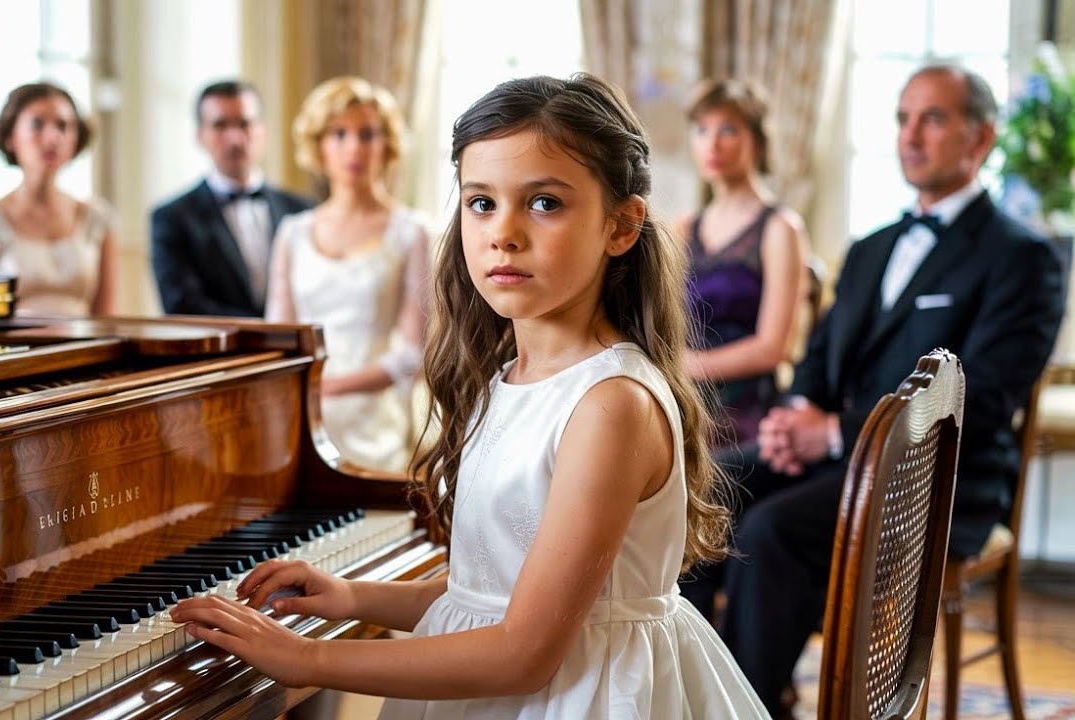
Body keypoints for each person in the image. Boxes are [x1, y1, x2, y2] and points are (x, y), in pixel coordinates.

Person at [168, 73, 771, 719]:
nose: (503, 233)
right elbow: (484, 595)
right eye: (481, 202)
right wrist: (353, 597)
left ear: (621, 226)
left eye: (544, 203)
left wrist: (306, 660)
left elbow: (523, 653)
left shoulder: (609, 404)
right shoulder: (507, 376)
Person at [678, 64, 1066, 717]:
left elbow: (982, 398)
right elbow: (819, 359)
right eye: (902, 119)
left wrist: (830, 431)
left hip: (941, 479)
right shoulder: (870, 248)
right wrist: (796, 412)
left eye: (933, 119)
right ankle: (695, 694)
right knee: (703, 490)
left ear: (982, 140)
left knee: (771, 529)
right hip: (839, 461)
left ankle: (747, 707)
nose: (910, 136)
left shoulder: (1022, 257)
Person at [264, 77, 430, 473]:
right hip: (298, 415)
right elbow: (277, 336)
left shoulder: (410, 231)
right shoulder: (293, 231)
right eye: (339, 134)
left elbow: (415, 354)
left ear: (386, 145)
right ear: (318, 145)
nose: (354, 147)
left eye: (367, 134)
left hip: (375, 422)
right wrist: (305, 395)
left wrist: (331, 389)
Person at [677, 79, 809, 446]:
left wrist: (685, 366)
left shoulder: (780, 228)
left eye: (729, 130)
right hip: (682, 397)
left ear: (758, 141)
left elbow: (774, 348)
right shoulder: (684, 228)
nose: (713, 144)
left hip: (746, 411)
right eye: (702, 131)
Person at [151, 80, 313, 317]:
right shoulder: (171, 218)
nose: (235, 139)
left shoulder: (302, 210)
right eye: (220, 125)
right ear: (200, 136)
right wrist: (268, 331)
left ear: (263, 131)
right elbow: (181, 305)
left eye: (244, 123)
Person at [0, 82, 118, 317]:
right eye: (37, 124)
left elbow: (107, 316)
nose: (53, 137)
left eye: (63, 126)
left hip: (89, 349)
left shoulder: (97, 220)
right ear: (10, 137)